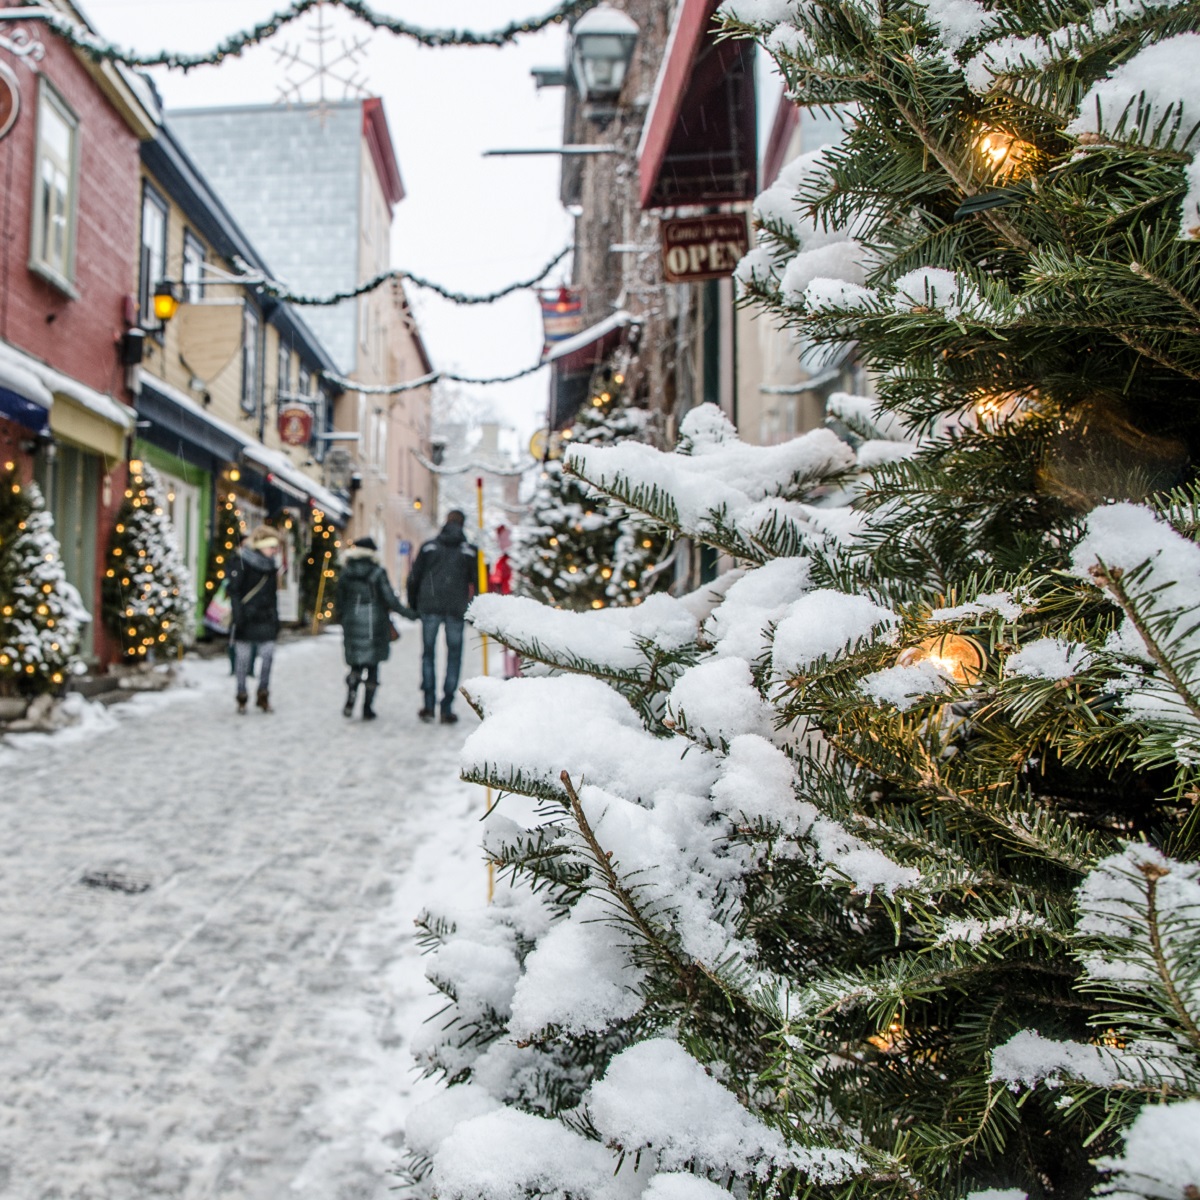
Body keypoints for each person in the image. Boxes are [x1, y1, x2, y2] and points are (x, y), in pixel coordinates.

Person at [407, 509, 477, 724]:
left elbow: (413, 578)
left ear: (445, 522)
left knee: (428, 654)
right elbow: (477, 583)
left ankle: (428, 705)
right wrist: (475, 610)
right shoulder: (470, 552)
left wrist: (414, 605)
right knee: (454, 656)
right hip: (456, 609)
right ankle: (446, 707)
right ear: (463, 524)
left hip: (430, 607)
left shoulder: (429, 547)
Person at [336, 536, 411, 720]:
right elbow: (390, 599)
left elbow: (339, 600)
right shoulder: (378, 572)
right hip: (375, 622)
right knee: (373, 667)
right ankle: (367, 708)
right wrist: (410, 613)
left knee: (355, 665)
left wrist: (344, 618)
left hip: (352, 621)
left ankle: (351, 695)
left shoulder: (346, 572)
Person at [227, 525, 281, 714]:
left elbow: (273, 595)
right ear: (261, 546)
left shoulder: (271, 567)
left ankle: (263, 694)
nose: (274, 551)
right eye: (271, 547)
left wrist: (275, 618)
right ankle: (241, 695)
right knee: (242, 660)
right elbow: (234, 591)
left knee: (268, 657)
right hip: (246, 618)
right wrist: (238, 615)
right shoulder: (242, 561)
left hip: (265, 618)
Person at [488, 524, 521, 680]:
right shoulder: (507, 560)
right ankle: (513, 671)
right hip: (511, 600)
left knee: (510, 640)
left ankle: (511, 671)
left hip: (509, 601)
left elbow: (496, 580)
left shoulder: (505, 561)